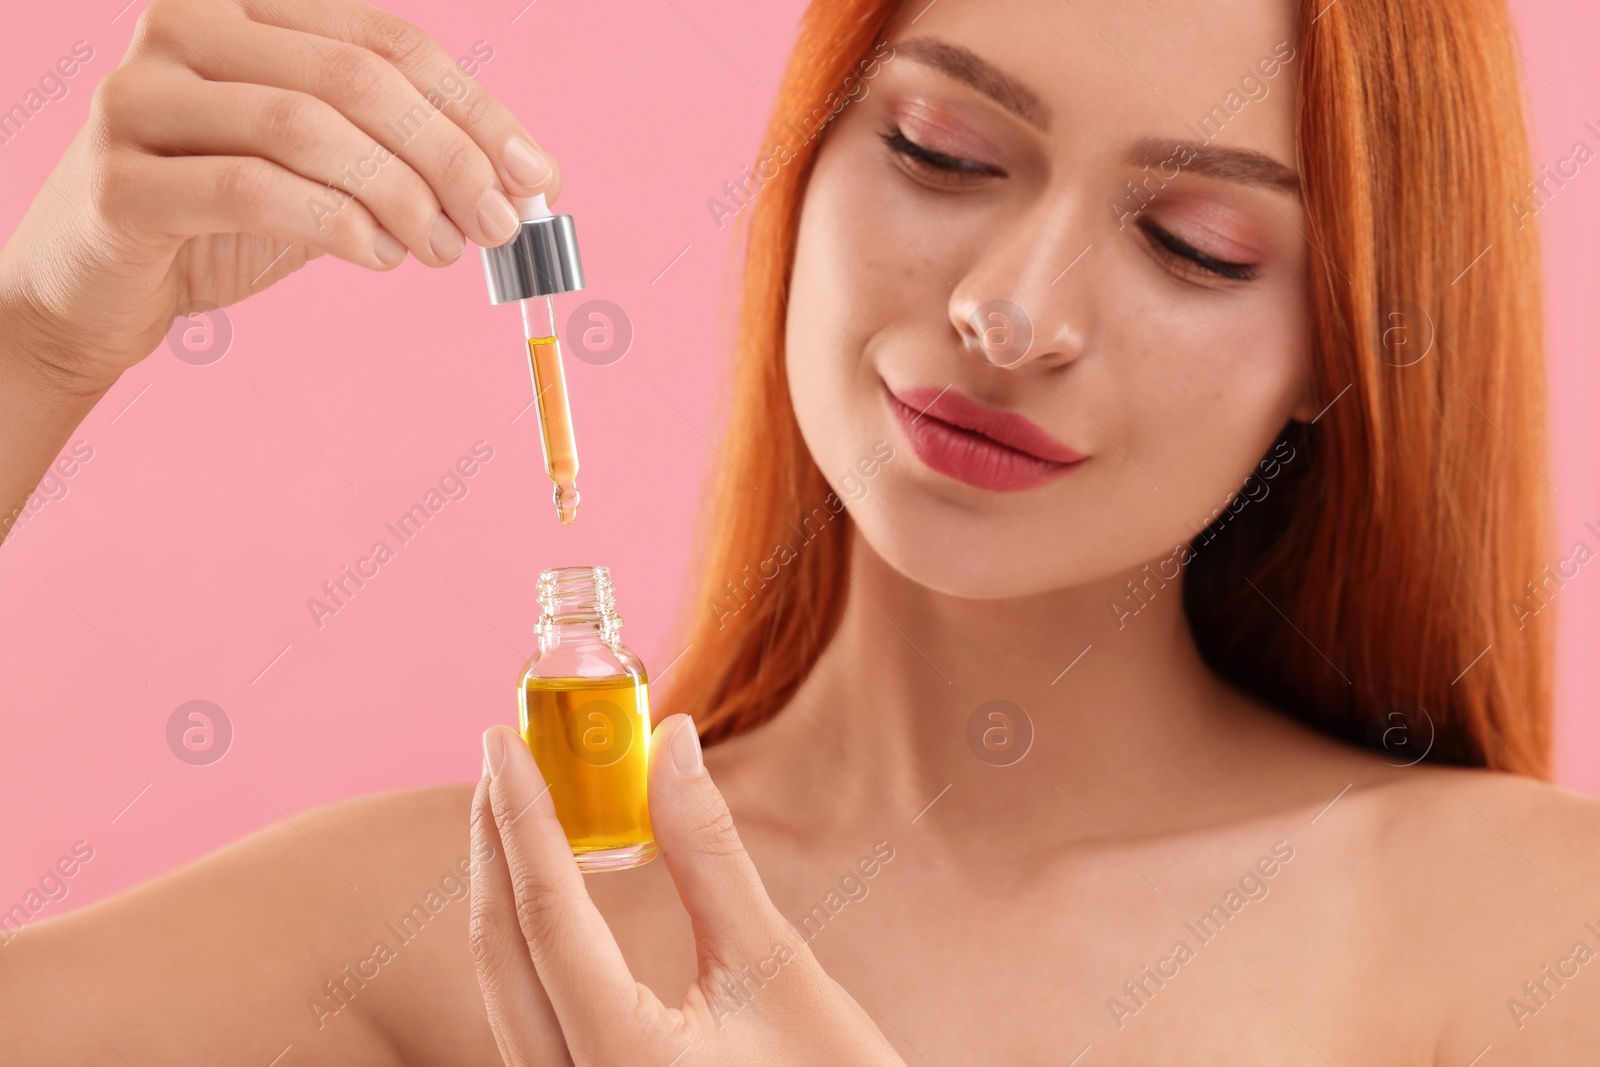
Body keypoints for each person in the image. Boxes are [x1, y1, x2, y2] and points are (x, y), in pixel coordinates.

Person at [3, 0, 1598, 1062]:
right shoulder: (473, 928)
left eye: (1197, 244)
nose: (1010, 311)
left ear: (1342, 345)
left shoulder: (1528, 935)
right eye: (941, 152)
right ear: (811, 153)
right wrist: (33, 339)